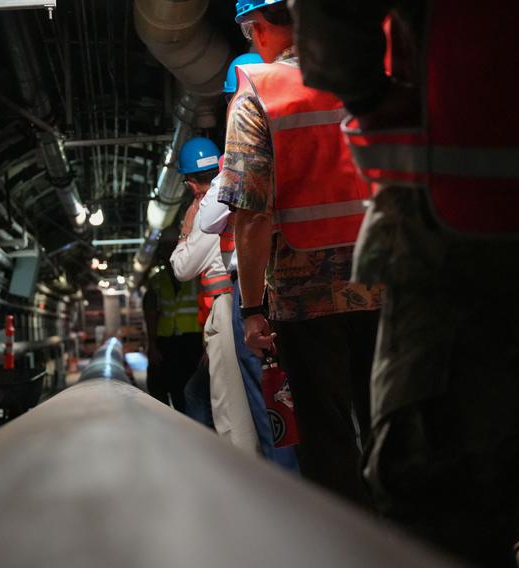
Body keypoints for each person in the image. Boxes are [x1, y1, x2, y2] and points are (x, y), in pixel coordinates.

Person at [289, 1, 519, 566]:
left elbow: (331, 23)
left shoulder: (258, 100)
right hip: (447, 230)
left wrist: (370, 96)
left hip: (453, 237)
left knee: (444, 496)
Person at [219, 0, 382, 506]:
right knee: (390, 425)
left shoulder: (258, 94)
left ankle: (350, 550)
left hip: (304, 297)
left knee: (328, 437)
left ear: (260, 28)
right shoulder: (368, 77)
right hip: (384, 282)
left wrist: (250, 309)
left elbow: (251, 215)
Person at [199, 53, 299, 470]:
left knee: (270, 393)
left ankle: (287, 491)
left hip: (267, 286)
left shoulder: (244, 137)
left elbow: (215, 219)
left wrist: (253, 310)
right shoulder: (301, 129)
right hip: (320, 278)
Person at [171, 137, 258, 447]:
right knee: (221, 395)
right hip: (234, 306)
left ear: (193, 183)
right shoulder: (233, 192)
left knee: (229, 405)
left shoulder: (207, 215)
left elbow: (182, 268)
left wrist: (185, 229)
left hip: (225, 310)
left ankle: (238, 466)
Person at [143, 238, 204, 414]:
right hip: (167, 342)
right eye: (166, 248)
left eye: (172, 247)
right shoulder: (157, 281)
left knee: (189, 391)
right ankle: (167, 424)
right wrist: (152, 346)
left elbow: (207, 307)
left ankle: (190, 427)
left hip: (193, 341)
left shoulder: (195, 276)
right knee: (161, 385)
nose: (169, 252)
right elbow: (151, 314)